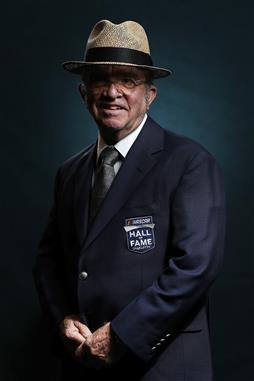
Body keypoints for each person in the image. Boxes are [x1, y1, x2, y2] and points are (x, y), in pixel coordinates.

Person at [33, 19, 225, 381]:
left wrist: (121, 335)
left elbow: (195, 266)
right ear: (83, 92)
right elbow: (49, 261)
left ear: (150, 94)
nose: (112, 92)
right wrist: (63, 317)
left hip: (161, 364)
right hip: (83, 361)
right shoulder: (69, 172)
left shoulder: (189, 162)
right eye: (100, 80)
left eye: (127, 80)